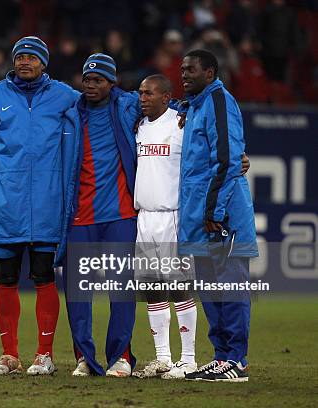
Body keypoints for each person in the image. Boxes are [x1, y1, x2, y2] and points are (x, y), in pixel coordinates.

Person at [0, 36, 78, 376]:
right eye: (20, 56)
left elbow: (103, 110)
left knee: (43, 277)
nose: (24, 61)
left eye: (32, 57)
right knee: (6, 279)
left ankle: (44, 354)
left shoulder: (66, 96)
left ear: (44, 63)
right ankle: (9, 355)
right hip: (5, 202)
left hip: (48, 203)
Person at [56, 53, 142, 377]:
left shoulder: (128, 106)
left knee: (122, 290)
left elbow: (165, 105)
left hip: (120, 215)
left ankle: (121, 356)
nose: (90, 86)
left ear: (112, 82)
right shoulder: (71, 115)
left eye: (98, 80)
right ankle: (85, 359)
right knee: (78, 294)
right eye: (87, 80)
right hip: (80, 215)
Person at [178, 50, 258, 382]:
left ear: (209, 73)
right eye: (182, 69)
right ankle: (222, 356)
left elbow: (225, 161)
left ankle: (237, 359)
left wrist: (215, 212)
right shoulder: (194, 106)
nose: (184, 75)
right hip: (200, 213)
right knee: (210, 288)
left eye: (191, 70)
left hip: (222, 214)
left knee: (231, 285)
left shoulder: (220, 102)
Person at [130, 75, 198, 380]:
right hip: (145, 215)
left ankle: (189, 359)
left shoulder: (181, 124)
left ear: (167, 98)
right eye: (141, 93)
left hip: (172, 215)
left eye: (149, 93)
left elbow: (205, 155)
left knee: (179, 286)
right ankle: (162, 358)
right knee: (152, 289)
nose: (142, 98)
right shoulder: (139, 127)